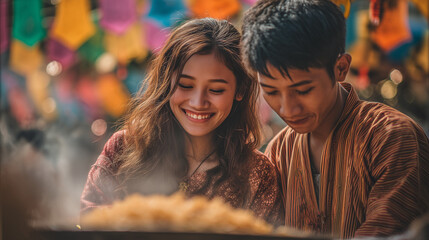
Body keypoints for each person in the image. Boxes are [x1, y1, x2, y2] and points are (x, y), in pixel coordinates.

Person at [241, 0, 429, 238]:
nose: (287, 108)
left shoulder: (391, 137)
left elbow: (386, 232)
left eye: (303, 90)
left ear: (340, 68)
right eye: (271, 91)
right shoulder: (279, 152)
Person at [81, 18, 284, 226]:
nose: (198, 102)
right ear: (165, 83)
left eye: (215, 90)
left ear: (239, 90)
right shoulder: (124, 148)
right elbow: (90, 220)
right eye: (185, 85)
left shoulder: (256, 173)